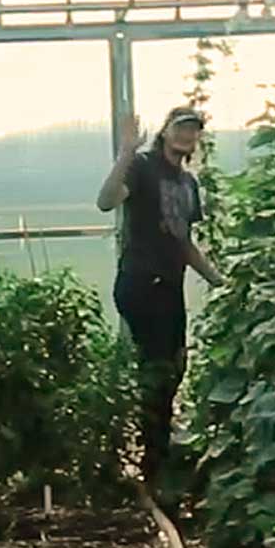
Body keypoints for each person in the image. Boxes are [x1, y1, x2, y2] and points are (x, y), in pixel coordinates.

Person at [95, 105, 226, 484]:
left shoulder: (188, 184)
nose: (187, 135)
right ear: (165, 131)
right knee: (157, 367)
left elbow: (185, 243)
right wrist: (125, 153)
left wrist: (221, 282)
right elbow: (106, 200)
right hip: (140, 282)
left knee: (175, 365)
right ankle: (154, 460)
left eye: (194, 130)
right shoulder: (142, 166)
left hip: (169, 285)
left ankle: (157, 449)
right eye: (181, 127)